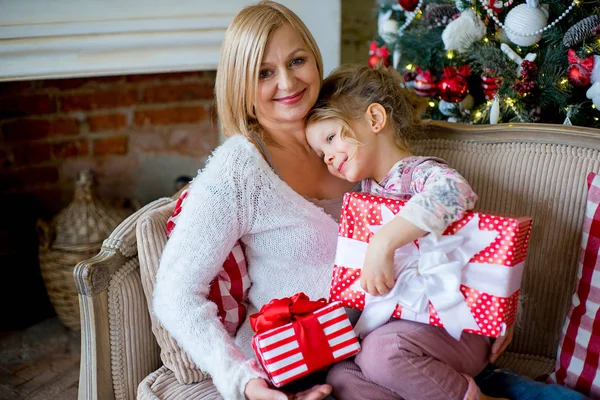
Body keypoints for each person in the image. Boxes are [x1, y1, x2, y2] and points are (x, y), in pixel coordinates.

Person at [152, 2, 353, 400]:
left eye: (297, 60)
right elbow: (174, 294)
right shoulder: (238, 169)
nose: (287, 82)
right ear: (240, 83)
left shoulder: (348, 130)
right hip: (297, 362)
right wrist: (244, 382)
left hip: (380, 340)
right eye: (264, 72)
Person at [305, 63, 508, 400]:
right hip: (401, 332)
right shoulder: (366, 195)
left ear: (374, 119)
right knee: (341, 376)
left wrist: (384, 242)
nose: (327, 158)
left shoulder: (418, 174)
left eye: (330, 138)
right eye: (321, 153)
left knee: (380, 353)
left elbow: (455, 190)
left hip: (455, 327)